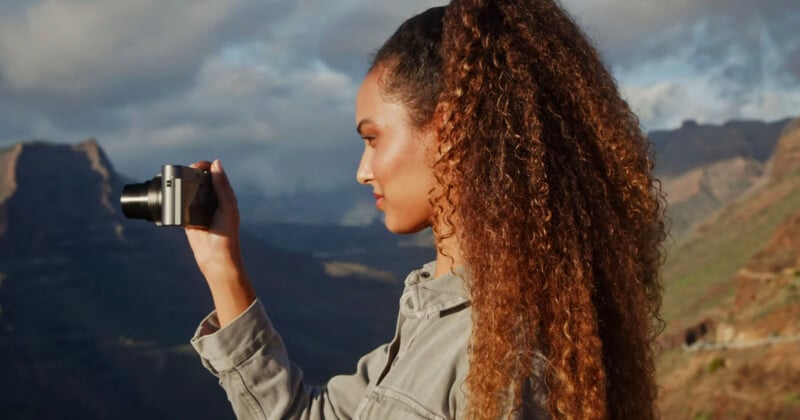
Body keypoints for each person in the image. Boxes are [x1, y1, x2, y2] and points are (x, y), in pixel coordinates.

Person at [185, 1, 667, 419]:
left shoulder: (503, 361)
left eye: (373, 138)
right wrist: (221, 265)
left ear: (451, 131)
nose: (363, 171)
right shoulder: (436, 323)